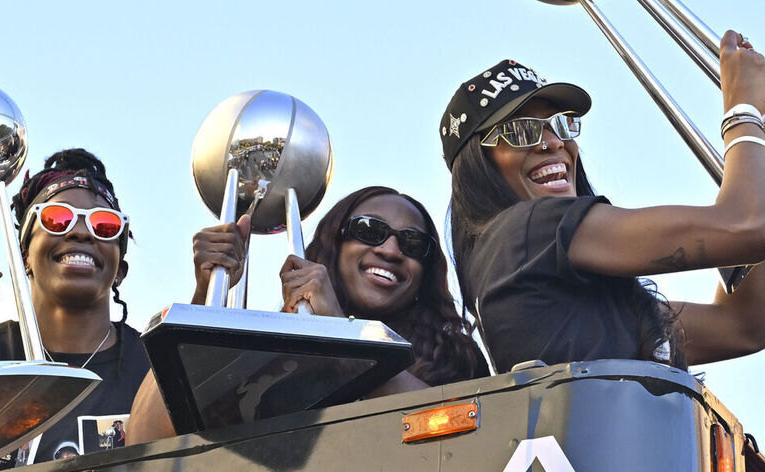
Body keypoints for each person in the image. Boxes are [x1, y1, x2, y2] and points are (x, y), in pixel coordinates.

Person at [440, 31, 765, 373]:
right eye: (521, 131)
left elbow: (744, 325)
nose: (554, 142)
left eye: (561, 125)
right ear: (477, 165)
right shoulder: (528, 231)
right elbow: (747, 226)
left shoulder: (543, 280)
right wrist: (743, 111)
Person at [127, 186, 488, 443]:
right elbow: (144, 441)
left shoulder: (454, 357)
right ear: (333, 245)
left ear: (426, 269)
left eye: (412, 243)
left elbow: (468, 438)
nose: (391, 250)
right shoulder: (270, 351)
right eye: (369, 230)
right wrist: (206, 298)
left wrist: (340, 334)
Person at [0, 148, 150, 466]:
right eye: (57, 219)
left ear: (120, 270)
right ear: (25, 257)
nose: (80, 232)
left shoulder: (155, 366)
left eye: (104, 225)